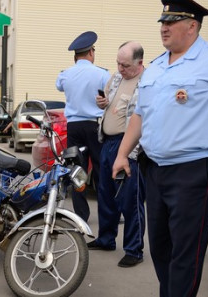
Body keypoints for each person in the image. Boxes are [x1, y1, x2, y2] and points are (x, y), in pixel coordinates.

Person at [111, 0, 208, 296]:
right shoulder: (155, 67)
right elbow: (139, 117)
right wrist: (121, 155)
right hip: (154, 169)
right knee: (159, 245)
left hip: (196, 169)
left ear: (192, 26)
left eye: (172, 21)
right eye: (162, 21)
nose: (164, 27)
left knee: (186, 249)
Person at [87, 41, 146, 268]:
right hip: (108, 143)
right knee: (106, 194)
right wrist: (102, 102)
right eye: (118, 63)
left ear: (139, 63)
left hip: (128, 146)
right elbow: (110, 105)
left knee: (128, 199)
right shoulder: (117, 77)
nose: (120, 69)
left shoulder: (146, 82)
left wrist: (132, 151)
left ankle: (134, 250)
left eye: (125, 65)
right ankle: (106, 238)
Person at [56, 31, 110, 222]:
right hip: (94, 127)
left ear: (75, 56)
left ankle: (81, 216)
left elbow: (59, 86)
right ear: (91, 52)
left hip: (73, 128)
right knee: (101, 172)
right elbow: (109, 95)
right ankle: (107, 215)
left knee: (76, 171)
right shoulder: (102, 74)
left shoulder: (65, 75)